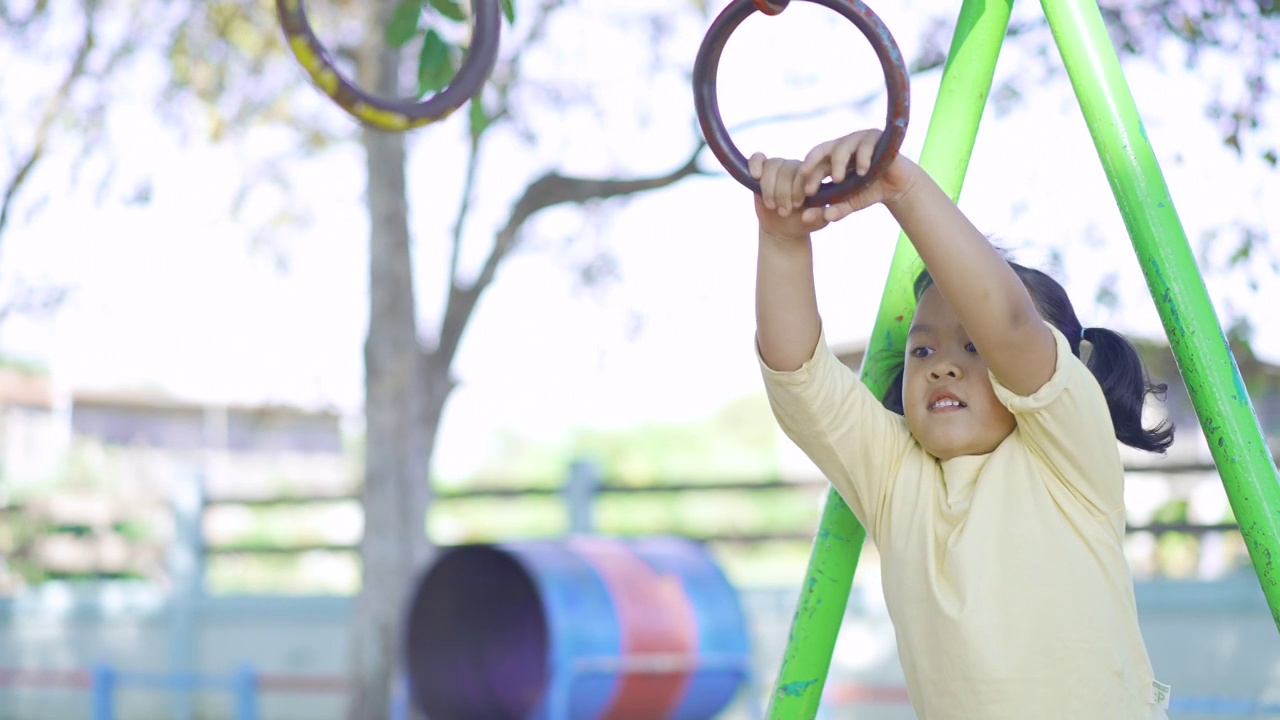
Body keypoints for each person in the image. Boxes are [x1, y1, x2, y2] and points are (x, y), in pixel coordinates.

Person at [751, 128, 1174, 719]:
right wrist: (782, 239)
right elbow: (798, 377)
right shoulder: (898, 478)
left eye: (974, 349)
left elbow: (1009, 325)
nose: (942, 366)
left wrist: (904, 188)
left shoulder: (1070, 453)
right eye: (922, 352)